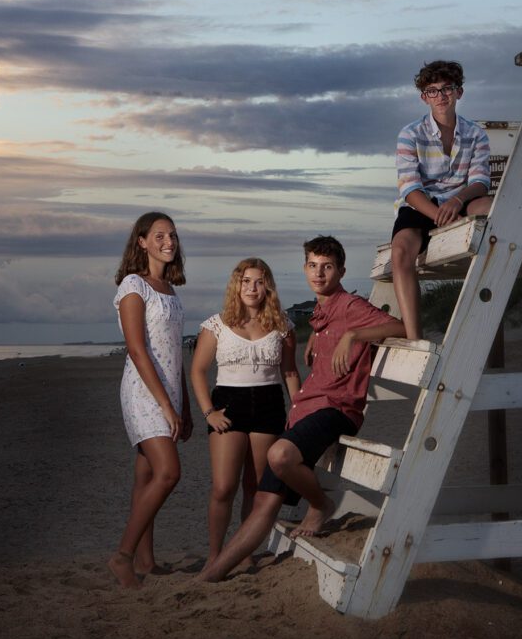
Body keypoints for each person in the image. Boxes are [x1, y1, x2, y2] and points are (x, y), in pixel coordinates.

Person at [198, 235, 405, 582]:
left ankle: (321, 504)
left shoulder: (350, 307)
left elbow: (400, 327)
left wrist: (353, 337)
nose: (319, 273)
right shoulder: (320, 313)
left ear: (340, 270)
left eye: (327, 267)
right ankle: (211, 575)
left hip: (338, 408)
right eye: (312, 266)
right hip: (308, 409)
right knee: (264, 503)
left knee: (279, 456)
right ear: (305, 269)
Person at [190, 258, 301, 568]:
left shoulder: (283, 325)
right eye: (246, 281)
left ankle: (243, 553)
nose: (252, 288)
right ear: (236, 285)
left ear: (268, 286)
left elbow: (290, 372)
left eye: (259, 281)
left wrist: (299, 409)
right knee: (223, 487)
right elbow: (198, 371)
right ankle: (215, 555)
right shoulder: (216, 324)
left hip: (269, 406)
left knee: (254, 487)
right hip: (229, 406)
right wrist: (208, 412)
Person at [108, 211, 193, 589]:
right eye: (159, 235)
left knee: (145, 477)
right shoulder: (133, 286)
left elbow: (175, 353)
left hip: (169, 391)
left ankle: (146, 562)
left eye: (172, 235)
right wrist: (165, 404)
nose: (168, 242)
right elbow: (138, 350)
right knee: (168, 472)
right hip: (143, 392)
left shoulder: (170, 291)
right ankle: (122, 557)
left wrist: (184, 405)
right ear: (141, 241)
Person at [391, 60, 491, 339]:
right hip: (422, 205)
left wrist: (458, 201)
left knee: (492, 208)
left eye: (447, 88)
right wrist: (438, 218)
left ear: (459, 92)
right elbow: (409, 189)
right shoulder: (410, 134)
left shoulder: (476, 134)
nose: (441, 96)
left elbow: (480, 182)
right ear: (424, 97)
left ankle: (491, 298)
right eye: (433, 91)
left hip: (460, 201)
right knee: (400, 251)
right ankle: (415, 338)